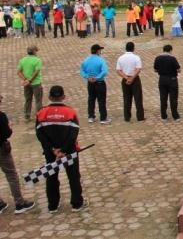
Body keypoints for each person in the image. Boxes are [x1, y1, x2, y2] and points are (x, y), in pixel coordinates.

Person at [35, 85, 88, 213]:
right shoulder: (70, 112)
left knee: (51, 176)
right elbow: (73, 133)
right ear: (63, 97)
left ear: (49, 97)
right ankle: (77, 203)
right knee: (73, 176)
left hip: (50, 152)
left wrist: (52, 149)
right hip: (69, 151)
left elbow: (40, 134)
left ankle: (52, 205)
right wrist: (63, 150)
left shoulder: (41, 113)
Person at [0, 94, 36, 214]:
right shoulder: (1, 116)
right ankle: (19, 203)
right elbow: (6, 133)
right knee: (11, 175)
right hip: (1, 149)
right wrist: (9, 127)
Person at [79, 44, 111, 124]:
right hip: (100, 82)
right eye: (100, 50)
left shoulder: (86, 60)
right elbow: (104, 71)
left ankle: (91, 117)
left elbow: (82, 70)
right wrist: (97, 77)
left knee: (91, 99)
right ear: (97, 51)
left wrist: (87, 77)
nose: (100, 51)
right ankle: (103, 118)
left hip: (90, 83)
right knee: (101, 100)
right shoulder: (101, 60)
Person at [116, 42, 144, 122]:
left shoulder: (121, 58)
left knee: (126, 99)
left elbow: (118, 70)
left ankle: (127, 117)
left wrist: (126, 78)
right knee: (138, 98)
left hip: (125, 79)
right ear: (133, 48)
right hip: (135, 79)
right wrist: (132, 78)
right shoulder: (136, 57)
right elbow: (138, 69)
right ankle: (140, 117)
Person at [153, 44, 181, 121]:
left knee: (163, 98)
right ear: (170, 50)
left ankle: (163, 116)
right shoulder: (172, 58)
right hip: (172, 79)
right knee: (173, 98)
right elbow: (179, 70)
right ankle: (175, 116)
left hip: (162, 79)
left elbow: (155, 70)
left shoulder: (158, 58)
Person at [17, 45, 43, 121]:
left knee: (28, 99)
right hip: (36, 83)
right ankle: (39, 116)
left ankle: (27, 115)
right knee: (38, 100)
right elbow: (36, 72)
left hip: (26, 84)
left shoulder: (22, 60)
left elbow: (18, 72)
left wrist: (25, 80)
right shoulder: (37, 60)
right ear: (34, 51)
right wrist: (30, 80)